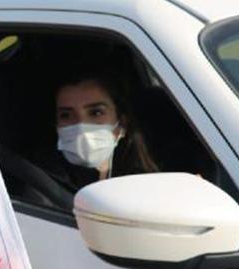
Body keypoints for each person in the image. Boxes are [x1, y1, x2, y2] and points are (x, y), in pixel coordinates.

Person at [35, 64, 159, 192]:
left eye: (96, 113)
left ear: (122, 122)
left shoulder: (144, 181)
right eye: (66, 115)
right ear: (56, 125)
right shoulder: (40, 183)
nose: (81, 125)